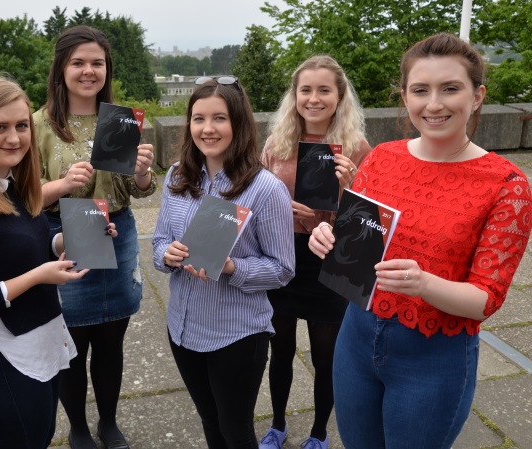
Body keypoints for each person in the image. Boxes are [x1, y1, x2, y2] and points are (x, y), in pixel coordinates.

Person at [308, 32, 532, 448]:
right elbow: (356, 237)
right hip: (355, 336)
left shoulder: (507, 185)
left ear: (478, 95)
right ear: (405, 96)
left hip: (433, 356)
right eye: (420, 90)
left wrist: (424, 284)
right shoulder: (381, 158)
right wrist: (329, 237)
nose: (434, 104)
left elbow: (487, 298)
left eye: (450, 88)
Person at [0, 75, 106, 448]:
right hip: (6, 359)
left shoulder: (14, 182)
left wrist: (64, 242)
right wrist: (37, 277)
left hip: (41, 340)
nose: (14, 139)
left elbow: (24, 246)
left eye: (21, 126)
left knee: (42, 437)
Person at [152, 76, 296, 448]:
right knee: (210, 422)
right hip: (182, 327)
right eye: (198, 119)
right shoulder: (176, 176)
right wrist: (166, 255)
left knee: (235, 430)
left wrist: (232, 268)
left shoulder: (266, 189)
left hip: (235, 334)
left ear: (239, 124)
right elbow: (159, 241)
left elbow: (283, 268)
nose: (207, 128)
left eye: (219, 118)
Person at [33, 25, 157, 449]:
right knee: (73, 339)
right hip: (64, 233)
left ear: (108, 68)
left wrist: (141, 173)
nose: (89, 71)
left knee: (111, 336)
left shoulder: (120, 120)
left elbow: (137, 190)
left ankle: (107, 421)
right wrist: (63, 184)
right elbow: (23, 199)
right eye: (79, 63)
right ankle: (78, 427)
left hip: (116, 231)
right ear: (61, 69)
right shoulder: (39, 125)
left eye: (97, 63)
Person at [258, 55, 371, 449]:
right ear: (295, 95)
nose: (314, 98)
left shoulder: (357, 148)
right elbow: (253, 200)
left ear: (339, 96)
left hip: (330, 259)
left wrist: (351, 185)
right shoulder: (277, 143)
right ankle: (276, 425)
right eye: (306, 89)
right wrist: (276, 204)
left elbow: (369, 223)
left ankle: (319, 432)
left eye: (324, 90)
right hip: (282, 254)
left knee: (326, 357)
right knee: (281, 348)